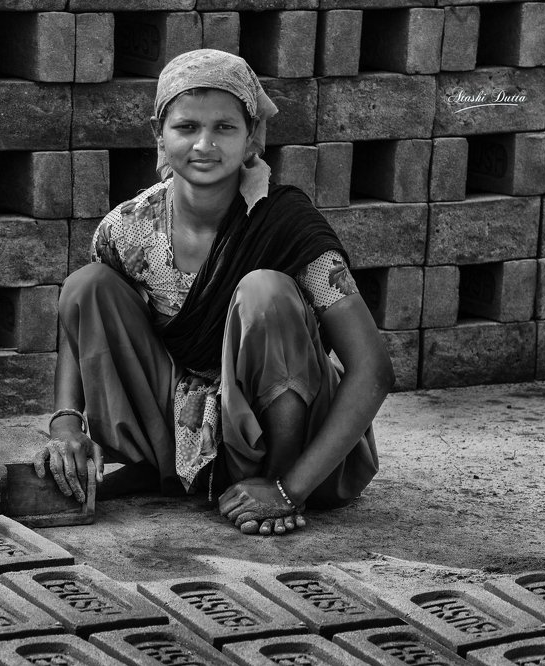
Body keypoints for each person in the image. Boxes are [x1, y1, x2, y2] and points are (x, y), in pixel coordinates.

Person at [33, 49, 394, 536]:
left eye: (225, 128)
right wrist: (65, 425)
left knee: (265, 292)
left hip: (295, 445)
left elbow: (373, 368)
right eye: (186, 127)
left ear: (252, 140)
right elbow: (82, 324)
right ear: (158, 137)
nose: (204, 144)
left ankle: (272, 485)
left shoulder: (286, 226)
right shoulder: (128, 229)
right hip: (180, 427)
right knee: (87, 284)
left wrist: (292, 488)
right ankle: (160, 467)